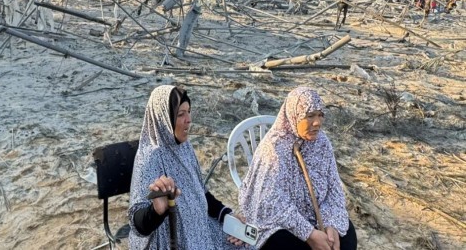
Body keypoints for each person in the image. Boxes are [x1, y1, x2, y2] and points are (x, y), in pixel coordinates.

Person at [128, 85, 246, 249]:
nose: (188, 119)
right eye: (180, 114)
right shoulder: (150, 157)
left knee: (246, 244)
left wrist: (227, 216)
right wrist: (157, 211)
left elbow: (200, 191)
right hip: (172, 241)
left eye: (189, 111)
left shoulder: (184, 147)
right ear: (164, 119)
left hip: (200, 228)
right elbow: (138, 225)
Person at [239, 87, 357, 250]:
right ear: (294, 116)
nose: (317, 122)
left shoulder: (322, 143)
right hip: (282, 222)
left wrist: (331, 225)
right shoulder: (274, 148)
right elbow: (270, 202)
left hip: (316, 215)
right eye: (310, 116)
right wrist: (309, 234)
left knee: (347, 236)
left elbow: (334, 189)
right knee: (284, 244)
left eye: (320, 115)